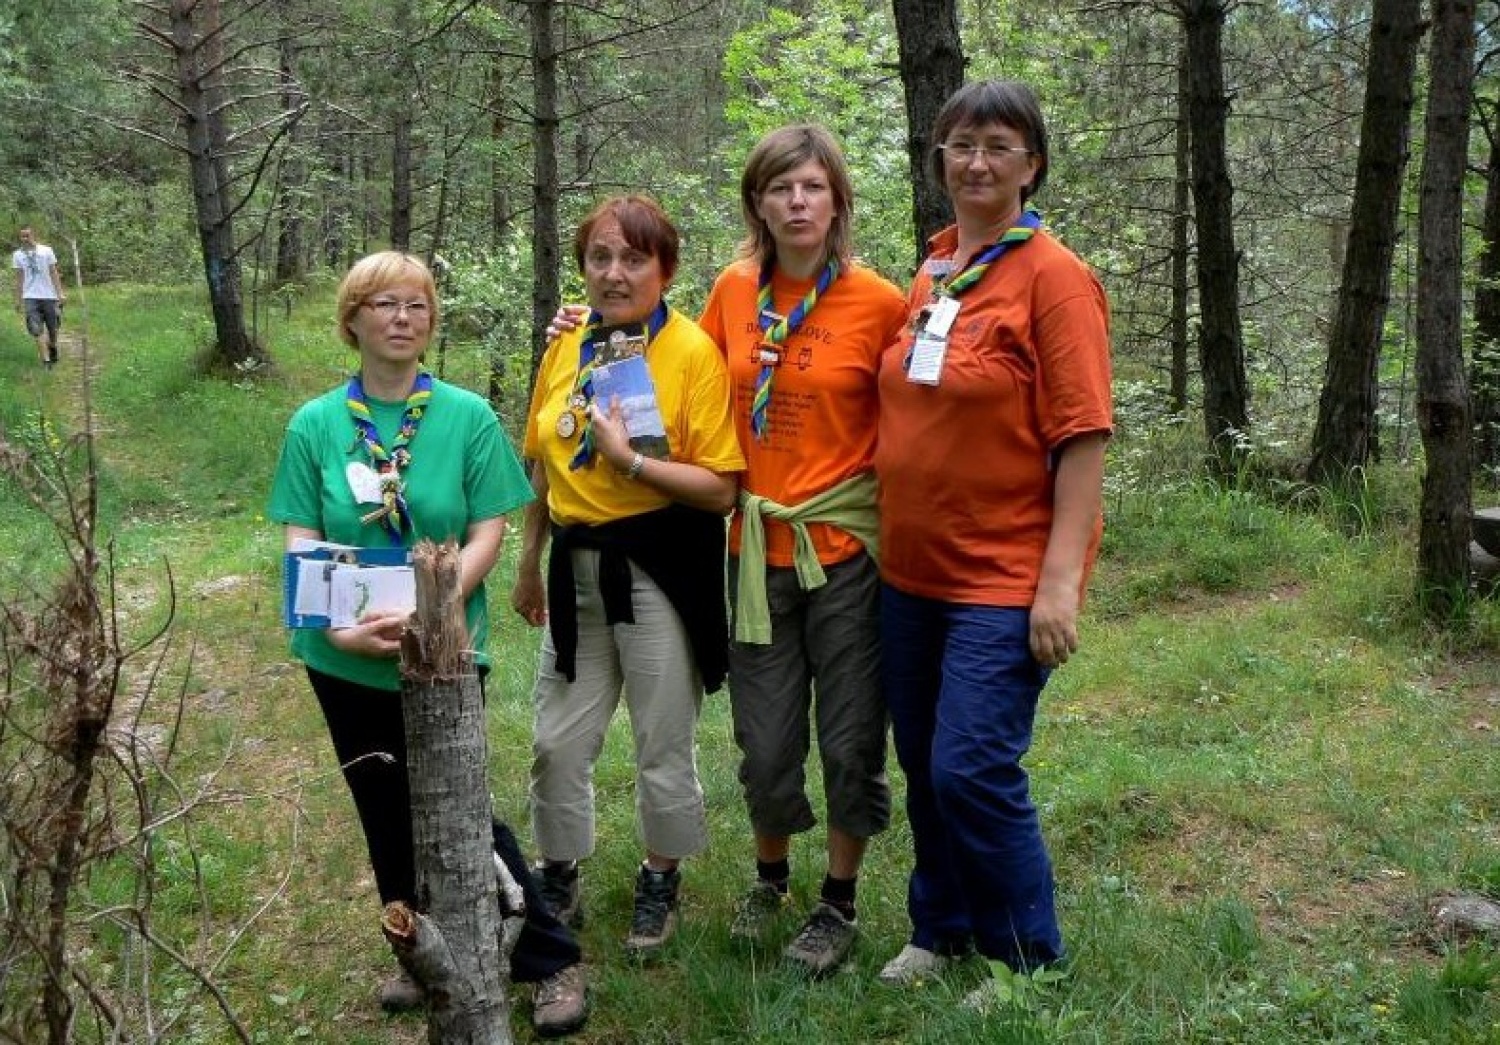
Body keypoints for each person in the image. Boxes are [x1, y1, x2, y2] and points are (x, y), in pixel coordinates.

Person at [267, 251, 589, 1038]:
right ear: (353, 319)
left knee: (460, 810)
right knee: (383, 811)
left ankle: (549, 959)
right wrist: (337, 625)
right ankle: (422, 949)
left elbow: (488, 526)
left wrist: (433, 605)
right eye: (383, 303)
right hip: (345, 655)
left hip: (443, 652)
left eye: (416, 304)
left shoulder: (466, 415)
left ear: (430, 320)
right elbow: (301, 532)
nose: (402, 316)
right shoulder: (315, 423)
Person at [873, 80, 1112, 1006]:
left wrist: (1059, 584)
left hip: (1002, 575)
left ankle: (1027, 959)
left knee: (970, 763)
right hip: (910, 571)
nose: (977, 161)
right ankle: (942, 925)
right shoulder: (932, 272)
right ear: (940, 162)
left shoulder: (1055, 277)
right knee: (925, 758)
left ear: (1032, 165)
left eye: (998, 146)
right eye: (961, 145)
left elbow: (1083, 435)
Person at [511, 195, 744, 962]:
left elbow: (721, 488)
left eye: (634, 259)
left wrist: (633, 461)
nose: (615, 274)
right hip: (574, 564)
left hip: (659, 568)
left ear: (665, 269)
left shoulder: (692, 354)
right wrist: (527, 561)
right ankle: (559, 869)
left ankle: (660, 873)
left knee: (661, 738)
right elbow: (542, 460)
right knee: (556, 739)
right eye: (600, 258)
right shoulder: (568, 343)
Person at [698, 124, 907, 976]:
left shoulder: (881, 302)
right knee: (768, 736)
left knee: (854, 733)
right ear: (757, 202)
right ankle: (770, 878)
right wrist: (587, 324)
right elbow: (684, 383)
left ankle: (839, 900)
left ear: (837, 201)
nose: (797, 202)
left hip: (847, 550)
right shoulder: (731, 292)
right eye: (780, 188)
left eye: (813, 187)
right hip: (753, 551)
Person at [12, 226, 65, 368]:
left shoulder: (46, 250)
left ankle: (52, 346)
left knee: (53, 328)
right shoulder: (18, 255)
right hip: (30, 296)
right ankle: (46, 361)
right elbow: (19, 278)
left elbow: (54, 272)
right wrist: (18, 299)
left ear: (33, 235)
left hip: (49, 295)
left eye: (27, 236)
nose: (25, 239)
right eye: (22, 236)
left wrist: (60, 293)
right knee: (36, 329)